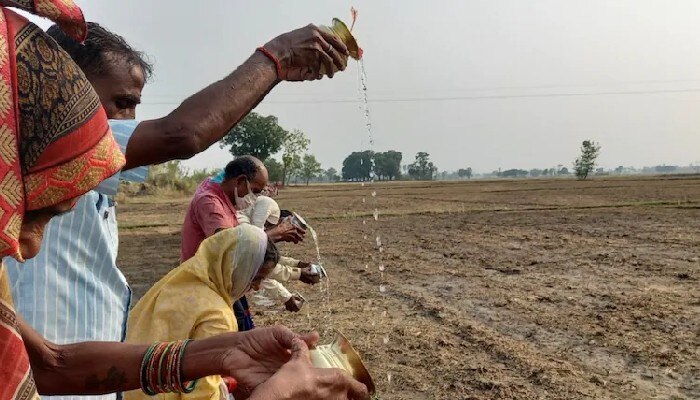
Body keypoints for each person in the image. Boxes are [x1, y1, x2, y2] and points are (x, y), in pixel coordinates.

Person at [0, 3, 367, 400]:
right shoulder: (59, 135)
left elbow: (54, 364)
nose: (27, 246)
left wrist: (225, 352)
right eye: (33, 213)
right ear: (61, 91)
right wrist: (276, 58)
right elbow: (183, 135)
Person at [126, 225, 279, 400]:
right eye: (256, 277)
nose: (257, 287)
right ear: (239, 268)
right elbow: (201, 394)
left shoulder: (182, 277)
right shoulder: (216, 315)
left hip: (125, 384)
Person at [181, 156, 305, 330]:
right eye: (254, 191)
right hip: (205, 285)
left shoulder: (225, 199)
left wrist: (295, 266)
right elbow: (233, 250)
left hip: (222, 281)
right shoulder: (211, 203)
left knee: (241, 329)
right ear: (239, 181)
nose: (255, 198)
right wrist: (276, 234)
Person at [239, 196, 321, 313]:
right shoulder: (248, 228)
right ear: (281, 221)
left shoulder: (257, 233)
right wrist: (298, 274)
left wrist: (297, 264)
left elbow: (264, 263)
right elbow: (258, 267)